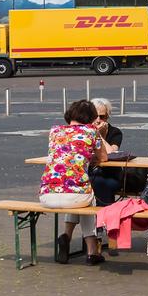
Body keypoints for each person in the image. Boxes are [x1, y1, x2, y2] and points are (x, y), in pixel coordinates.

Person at [41, 98, 108, 266]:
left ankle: (67, 236)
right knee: (86, 199)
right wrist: (99, 135)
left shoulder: (55, 131)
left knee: (76, 195)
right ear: (91, 117)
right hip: (75, 195)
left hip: (47, 194)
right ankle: (92, 250)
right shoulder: (91, 132)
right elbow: (104, 157)